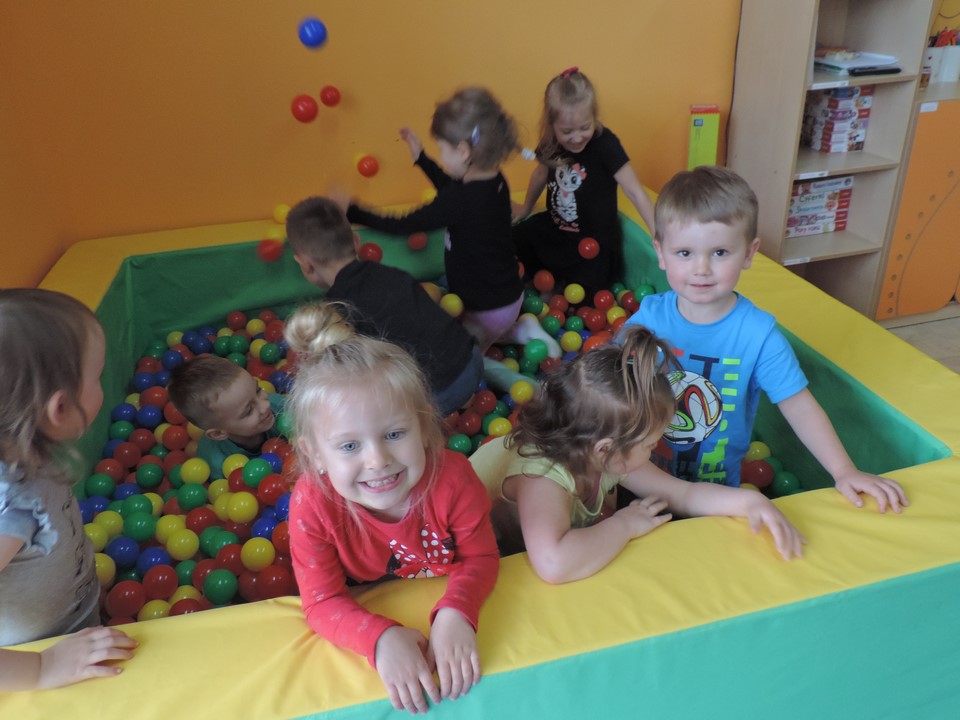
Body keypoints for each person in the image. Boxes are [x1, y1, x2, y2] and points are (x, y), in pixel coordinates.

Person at [623, 165, 908, 512]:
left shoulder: (757, 335)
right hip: (643, 478)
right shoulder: (651, 318)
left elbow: (799, 405)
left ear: (749, 253)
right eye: (685, 253)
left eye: (719, 252)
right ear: (660, 253)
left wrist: (843, 470)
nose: (701, 268)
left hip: (720, 492)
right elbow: (609, 376)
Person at [284, 303, 499, 715]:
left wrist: (456, 611)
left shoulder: (453, 478)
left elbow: (482, 556)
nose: (378, 460)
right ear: (315, 455)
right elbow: (321, 600)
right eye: (349, 445)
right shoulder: (313, 504)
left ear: (424, 426)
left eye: (395, 434)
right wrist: (379, 639)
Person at [470, 326, 804, 585]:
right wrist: (623, 525)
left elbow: (683, 494)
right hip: (472, 549)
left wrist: (751, 502)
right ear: (606, 449)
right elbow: (553, 564)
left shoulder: (602, 449)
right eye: (650, 444)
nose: (656, 449)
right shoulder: (541, 477)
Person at [343, 86, 558, 357]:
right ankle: (521, 330)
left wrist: (353, 213)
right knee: (471, 332)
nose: (442, 158)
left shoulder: (461, 200)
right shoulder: (494, 180)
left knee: (462, 358)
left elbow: (402, 225)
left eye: (442, 150)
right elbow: (452, 190)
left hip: (487, 310)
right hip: (506, 298)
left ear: (464, 151)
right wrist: (422, 159)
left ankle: (505, 360)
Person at [0, 288, 137, 690]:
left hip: (77, 617)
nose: (102, 383)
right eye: (97, 376)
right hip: (38, 661)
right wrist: (41, 668)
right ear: (59, 408)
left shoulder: (25, 451)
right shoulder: (11, 508)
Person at [286, 196, 483, 415]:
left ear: (305, 264)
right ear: (356, 242)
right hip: (471, 358)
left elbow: (350, 374)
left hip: (438, 395)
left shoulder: (337, 311)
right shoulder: (389, 273)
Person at [512, 67, 657, 294]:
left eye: (585, 127)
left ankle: (559, 287)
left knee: (585, 296)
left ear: (594, 117)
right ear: (552, 125)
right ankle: (545, 284)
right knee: (514, 240)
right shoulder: (551, 142)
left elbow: (635, 191)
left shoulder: (606, 144)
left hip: (593, 242)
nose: (577, 137)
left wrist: (659, 235)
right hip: (557, 230)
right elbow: (540, 174)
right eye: (567, 131)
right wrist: (526, 207)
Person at [168, 355, 285, 480]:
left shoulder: (280, 407)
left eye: (258, 390)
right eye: (249, 411)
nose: (265, 405)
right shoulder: (219, 465)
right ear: (218, 433)